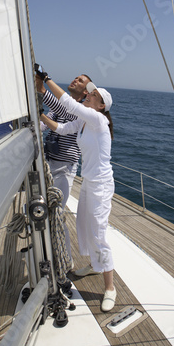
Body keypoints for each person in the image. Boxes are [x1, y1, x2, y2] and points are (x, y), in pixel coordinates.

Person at [38, 69, 116, 312]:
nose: (89, 96)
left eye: (93, 95)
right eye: (89, 94)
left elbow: (69, 103)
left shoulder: (98, 120)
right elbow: (60, 129)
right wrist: (39, 115)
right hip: (89, 183)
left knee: (99, 233)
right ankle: (95, 264)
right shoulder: (83, 123)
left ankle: (110, 288)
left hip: (101, 185)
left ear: (101, 105)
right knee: (84, 226)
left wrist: (47, 78)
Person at [35, 68, 92, 264]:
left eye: (80, 80)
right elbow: (46, 122)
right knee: (43, 211)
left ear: (86, 92)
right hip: (49, 163)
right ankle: (46, 255)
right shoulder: (61, 107)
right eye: (76, 77)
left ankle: (65, 260)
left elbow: (63, 110)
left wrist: (42, 89)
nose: (75, 80)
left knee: (57, 214)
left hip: (64, 167)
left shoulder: (82, 111)